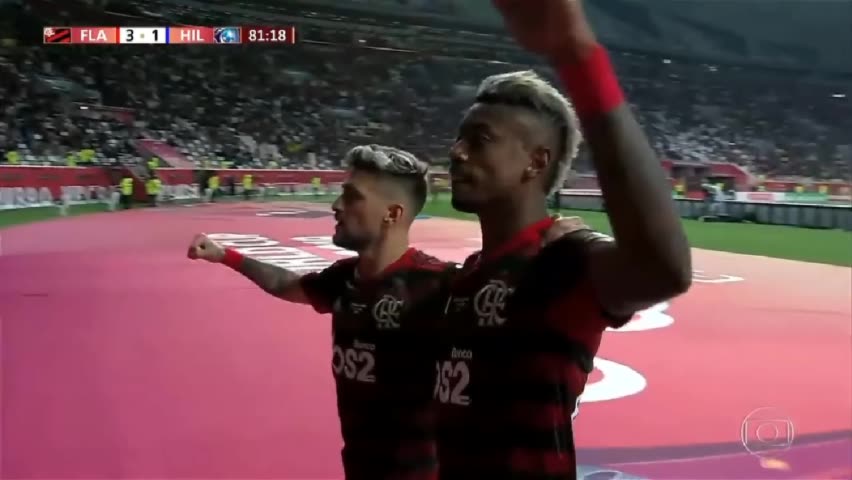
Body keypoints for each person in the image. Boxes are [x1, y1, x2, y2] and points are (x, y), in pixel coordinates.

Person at [432, 1, 693, 478]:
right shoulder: (470, 275)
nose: (457, 152)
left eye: (480, 139)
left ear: (536, 162)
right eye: (459, 138)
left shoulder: (560, 260)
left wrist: (579, 58)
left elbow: (663, 270)